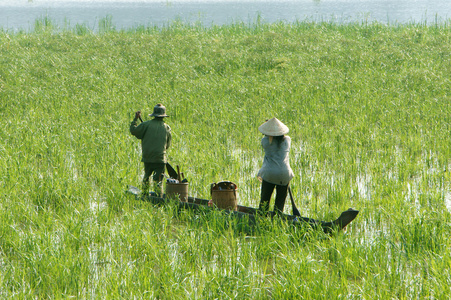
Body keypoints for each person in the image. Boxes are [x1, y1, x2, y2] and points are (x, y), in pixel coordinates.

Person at [130, 103, 171, 196]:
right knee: (158, 182)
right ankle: (159, 199)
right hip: (160, 159)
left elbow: (133, 130)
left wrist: (135, 119)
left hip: (147, 157)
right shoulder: (167, 127)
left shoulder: (146, 125)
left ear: (154, 115)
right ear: (163, 116)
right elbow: (167, 145)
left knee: (146, 177)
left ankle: (144, 196)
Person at [257, 117, 294, 214]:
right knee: (280, 202)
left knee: (264, 201)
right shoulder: (287, 140)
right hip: (284, 174)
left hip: (270, 173)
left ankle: (262, 219)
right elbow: (282, 138)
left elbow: (268, 138)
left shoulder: (265, 141)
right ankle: (277, 219)